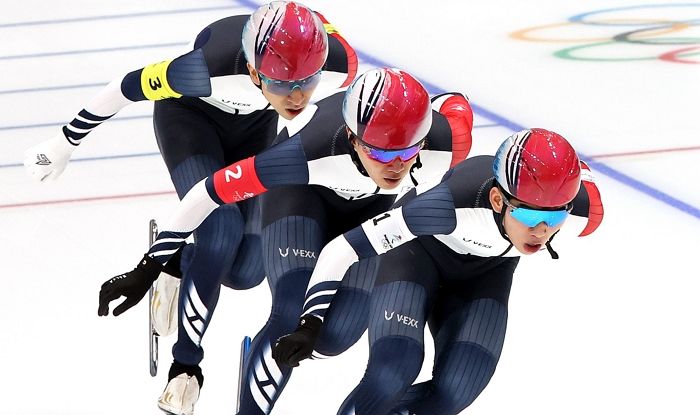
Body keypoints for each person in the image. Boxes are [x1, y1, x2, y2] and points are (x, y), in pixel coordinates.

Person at [23, 2, 357, 415]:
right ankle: (185, 368)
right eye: (280, 82)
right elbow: (123, 87)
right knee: (220, 230)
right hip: (190, 120)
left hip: (255, 128)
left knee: (246, 271)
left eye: (307, 81)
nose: (297, 96)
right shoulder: (203, 69)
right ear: (254, 72)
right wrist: (63, 143)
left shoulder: (338, 59)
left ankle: (179, 260)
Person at [97, 67, 475, 414]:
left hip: (364, 217)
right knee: (287, 312)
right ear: (351, 137)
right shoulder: (301, 155)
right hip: (300, 196)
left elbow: (451, 107)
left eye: (408, 152)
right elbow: (206, 194)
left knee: (334, 337)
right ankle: (182, 267)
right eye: (379, 152)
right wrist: (148, 267)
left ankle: (247, 348)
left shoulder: (444, 145)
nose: (395, 167)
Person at [272, 128, 605, 415]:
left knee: (455, 390)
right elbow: (344, 248)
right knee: (393, 370)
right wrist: (310, 322)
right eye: (531, 218)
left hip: (486, 276)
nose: (543, 231)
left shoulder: (579, 212)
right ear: (497, 200)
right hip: (418, 258)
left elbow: (581, 186)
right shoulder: (449, 206)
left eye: (556, 219)